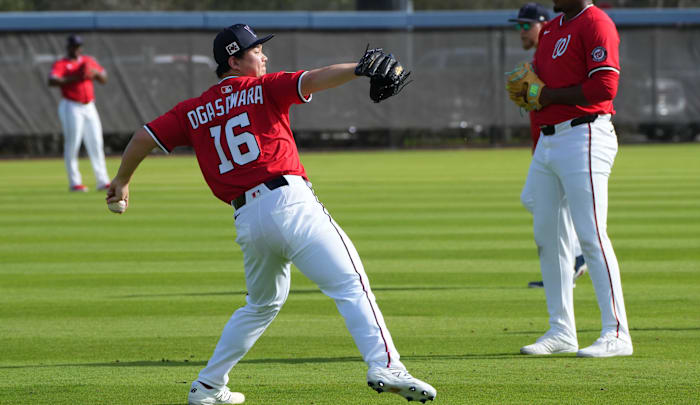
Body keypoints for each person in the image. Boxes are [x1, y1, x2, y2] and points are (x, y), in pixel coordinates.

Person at [105, 24, 436, 404]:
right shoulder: (263, 88)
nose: (263, 56)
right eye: (255, 50)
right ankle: (387, 365)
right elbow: (313, 79)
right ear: (234, 60)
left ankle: (208, 386)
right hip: (290, 204)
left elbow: (144, 136)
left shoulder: (193, 110)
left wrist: (122, 179)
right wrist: (359, 69)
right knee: (350, 284)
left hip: (247, 220)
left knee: (260, 305)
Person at [511, 0, 633, 357]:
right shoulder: (551, 29)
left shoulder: (597, 23)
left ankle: (617, 332)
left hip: (585, 134)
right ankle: (562, 330)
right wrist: (531, 91)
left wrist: (546, 95)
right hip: (549, 140)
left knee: (591, 234)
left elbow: (605, 87)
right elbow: (537, 82)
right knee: (548, 236)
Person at [510, 3, 588, 289]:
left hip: (568, 140)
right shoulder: (539, 60)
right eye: (517, 25)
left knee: (540, 201)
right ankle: (575, 258)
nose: (520, 31)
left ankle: (575, 258)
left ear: (544, 25)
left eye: (524, 25)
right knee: (538, 200)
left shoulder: (553, 57)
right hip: (547, 144)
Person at [48, 34, 110, 192]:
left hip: (89, 105)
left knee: (96, 142)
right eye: (74, 46)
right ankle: (74, 182)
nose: (76, 49)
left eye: (78, 46)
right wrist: (75, 77)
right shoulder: (62, 63)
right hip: (71, 105)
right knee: (73, 143)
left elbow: (104, 78)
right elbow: (52, 80)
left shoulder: (88, 61)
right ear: (68, 47)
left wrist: (94, 73)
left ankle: (102, 181)